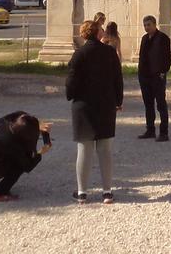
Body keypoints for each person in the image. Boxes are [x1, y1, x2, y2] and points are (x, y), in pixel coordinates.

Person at [66, 20, 123, 204]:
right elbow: (118, 78)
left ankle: (82, 192)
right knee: (105, 149)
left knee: (84, 149)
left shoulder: (79, 54)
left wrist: (71, 95)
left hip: (83, 105)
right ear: (97, 33)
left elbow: (71, 81)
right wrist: (118, 100)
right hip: (105, 104)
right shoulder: (109, 52)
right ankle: (107, 192)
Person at [137, 15, 171, 142]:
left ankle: (164, 132)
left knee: (161, 104)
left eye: (149, 25)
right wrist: (140, 73)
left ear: (154, 24)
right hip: (145, 76)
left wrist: (163, 72)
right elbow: (142, 57)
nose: (147, 28)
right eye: (145, 25)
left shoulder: (163, 39)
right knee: (148, 104)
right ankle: (150, 129)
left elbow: (167, 57)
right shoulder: (144, 39)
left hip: (157, 76)